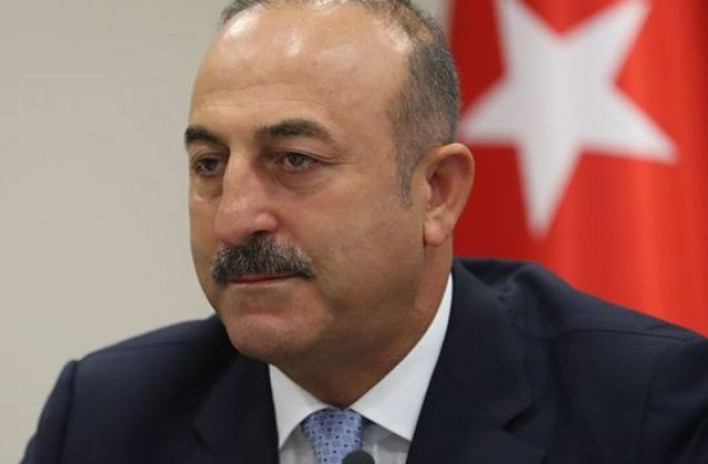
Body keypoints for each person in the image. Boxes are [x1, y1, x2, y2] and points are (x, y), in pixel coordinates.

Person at [22, 1, 708, 463]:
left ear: (437, 192)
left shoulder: (648, 409)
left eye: (294, 160)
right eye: (210, 164)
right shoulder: (105, 419)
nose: (234, 218)